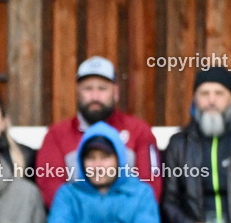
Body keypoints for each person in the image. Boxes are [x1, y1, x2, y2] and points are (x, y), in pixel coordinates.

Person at [36, 56, 161, 208]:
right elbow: (50, 187)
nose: (95, 96)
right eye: (88, 89)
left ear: (115, 92)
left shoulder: (139, 131)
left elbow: (151, 184)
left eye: (102, 89)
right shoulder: (56, 134)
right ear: (77, 92)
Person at [162, 67, 231, 223]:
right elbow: (169, 202)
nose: (211, 100)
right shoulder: (179, 144)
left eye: (219, 93)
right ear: (195, 99)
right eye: (204, 93)